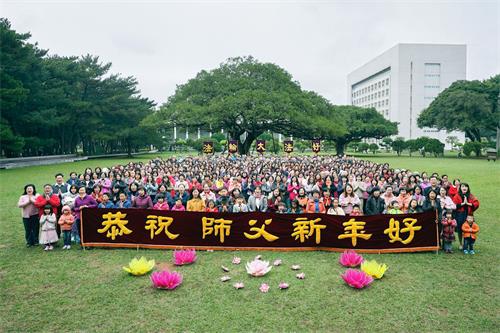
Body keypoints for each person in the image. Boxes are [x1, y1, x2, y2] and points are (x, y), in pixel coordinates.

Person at [452, 183, 479, 250]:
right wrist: (462, 204)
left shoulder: (470, 196)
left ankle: (468, 243)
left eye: (466, 187)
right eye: (463, 186)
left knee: (469, 229)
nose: (464, 188)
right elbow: (454, 205)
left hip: (469, 214)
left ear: (468, 188)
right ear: (460, 188)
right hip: (460, 215)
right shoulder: (457, 196)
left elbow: (476, 203)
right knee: (460, 229)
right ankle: (461, 243)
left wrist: (468, 203)